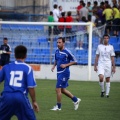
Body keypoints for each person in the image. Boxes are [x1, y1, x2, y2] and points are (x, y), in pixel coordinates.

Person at [0, 45, 39, 120]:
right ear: (25, 55)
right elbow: (31, 87)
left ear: (14, 55)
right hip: (20, 97)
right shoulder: (28, 68)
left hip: (6, 97)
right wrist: (34, 101)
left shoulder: (6, 67)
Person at [51, 37, 81, 111]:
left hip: (64, 72)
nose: (58, 44)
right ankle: (76, 100)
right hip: (59, 72)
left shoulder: (67, 52)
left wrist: (66, 65)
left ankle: (58, 107)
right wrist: (54, 66)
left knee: (58, 89)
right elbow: (56, 60)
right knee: (63, 90)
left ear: (63, 43)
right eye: (57, 42)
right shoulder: (56, 51)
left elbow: (75, 61)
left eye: (59, 42)